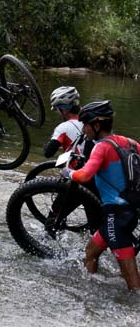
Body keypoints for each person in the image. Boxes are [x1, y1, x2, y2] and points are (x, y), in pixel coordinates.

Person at [62, 100, 140, 290]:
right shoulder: (131, 143)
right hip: (128, 211)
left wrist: (68, 173)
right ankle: (89, 292)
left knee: (132, 280)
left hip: (117, 216)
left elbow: (84, 175)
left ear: (96, 126)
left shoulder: (101, 147)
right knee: (91, 252)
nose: (84, 130)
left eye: (86, 125)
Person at [43, 86, 84, 158]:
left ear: (64, 109)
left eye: (56, 109)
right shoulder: (90, 123)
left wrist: (46, 146)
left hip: (74, 168)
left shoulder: (63, 127)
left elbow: (48, 153)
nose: (57, 112)